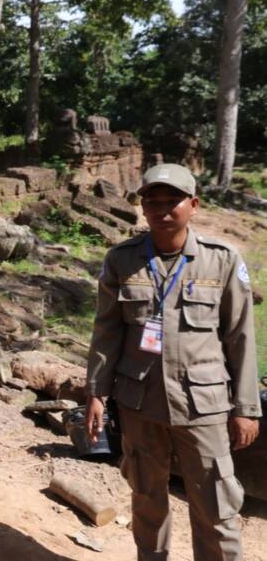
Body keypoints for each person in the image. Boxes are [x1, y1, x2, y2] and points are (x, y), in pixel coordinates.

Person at [85, 163, 260, 561]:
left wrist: (247, 409)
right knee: (147, 501)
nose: (162, 210)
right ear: (142, 208)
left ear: (193, 205)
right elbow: (107, 331)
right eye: (153, 202)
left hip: (204, 406)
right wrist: (96, 391)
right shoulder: (122, 260)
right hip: (139, 403)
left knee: (216, 507)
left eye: (173, 202)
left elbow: (241, 337)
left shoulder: (223, 260)